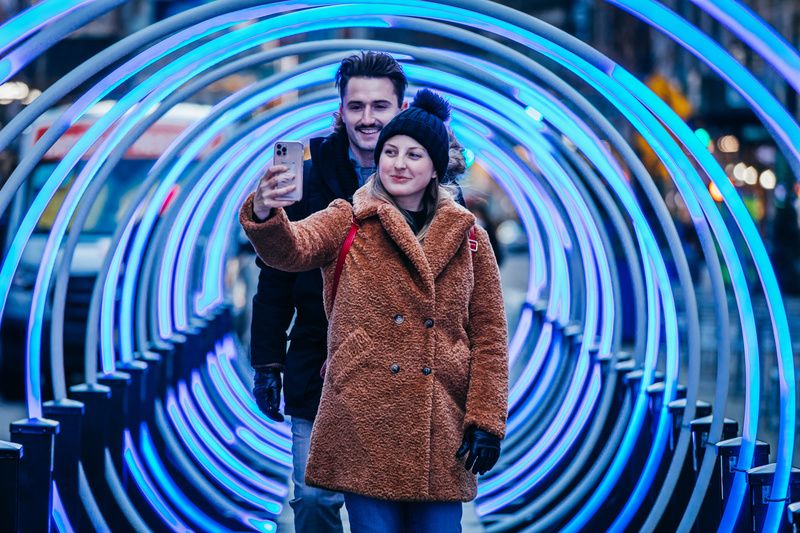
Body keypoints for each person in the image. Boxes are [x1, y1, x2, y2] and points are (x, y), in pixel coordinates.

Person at [241, 89, 508, 532]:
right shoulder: (348, 218)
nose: (399, 164)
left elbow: (489, 336)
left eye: (414, 154)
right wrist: (266, 210)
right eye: (390, 152)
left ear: (436, 167)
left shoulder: (469, 238)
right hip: (365, 418)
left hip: (439, 424)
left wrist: (486, 420)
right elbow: (291, 250)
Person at [248, 51, 408, 531]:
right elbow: (275, 273)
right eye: (356, 106)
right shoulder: (308, 177)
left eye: (380, 106)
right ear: (340, 111)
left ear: (401, 109)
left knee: (377, 506)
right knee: (315, 498)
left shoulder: (421, 174)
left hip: (396, 365)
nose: (368, 117)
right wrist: (267, 363)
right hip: (318, 357)